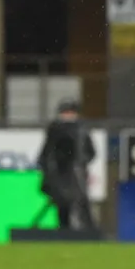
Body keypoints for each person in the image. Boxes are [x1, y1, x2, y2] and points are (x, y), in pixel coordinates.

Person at [36, 99, 96, 231]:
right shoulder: (55, 129)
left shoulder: (82, 130)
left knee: (81, 201)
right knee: (61, 202)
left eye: (70, 112)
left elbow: (90, 152)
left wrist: (81, 162)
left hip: (76, 171)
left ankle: (88, 230)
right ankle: (64, 229)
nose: (67, 116)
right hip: (59, 171)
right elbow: (47, 150)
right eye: (65, 112)